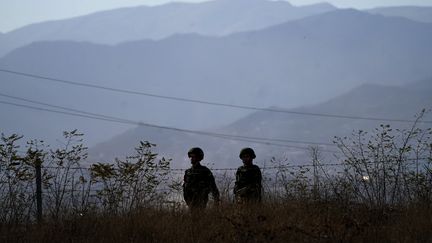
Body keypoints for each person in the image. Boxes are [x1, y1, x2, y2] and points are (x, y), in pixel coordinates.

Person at [183, 147, 220, 211]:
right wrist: (187, 200)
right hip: (190, 202)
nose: (191, 159)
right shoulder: (188, 172)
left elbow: (213, 186)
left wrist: (216, 200)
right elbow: (185, 187)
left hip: (201, 201)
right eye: (191, 157)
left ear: (198, 158)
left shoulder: (205, 171)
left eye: (193, 157)